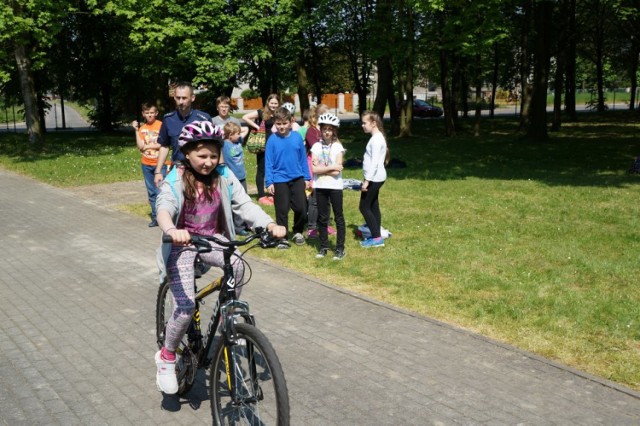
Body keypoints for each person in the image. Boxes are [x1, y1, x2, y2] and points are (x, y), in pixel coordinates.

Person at [154, 120, 286, 394]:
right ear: (187, 153)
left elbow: (245, 204)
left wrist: (268, 224)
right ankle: (166, 357)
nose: (208, 161)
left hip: (214, 239)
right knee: (186, 307)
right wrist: (171, 230)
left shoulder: (223, 175)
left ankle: (227, 322)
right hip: (183, 244)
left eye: (214, 155)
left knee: (238, 265)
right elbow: (164, 206)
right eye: (202, 155)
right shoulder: (176, 177)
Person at [265, 106, 311, 249]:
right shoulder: (272, 140)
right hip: (279, 180)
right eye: (278, 124)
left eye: (284, 123)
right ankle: (282, 237)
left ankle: (297, 231)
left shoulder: (297, 137)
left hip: (297, 178)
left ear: (291, 122)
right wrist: (269, 181)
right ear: (274, 123)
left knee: (301, 208)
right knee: (282, 210)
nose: (282, 127)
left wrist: (307, 177)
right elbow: (268, 162)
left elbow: (303, 158)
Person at [153, 82, 211, 188]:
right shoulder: (168, 119)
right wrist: (158, 172)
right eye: (178, 98)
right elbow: (164, 146)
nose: (180, 101)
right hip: (178, 168)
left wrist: (220, 167)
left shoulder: (203, 119)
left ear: (192, 98)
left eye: (184, 98)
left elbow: (213, 146)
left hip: (199, 170)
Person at [311, 113, 346, 260]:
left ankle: (339, 248)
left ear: (334, 131)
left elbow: (338, 170)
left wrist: (324, 169)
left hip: (335, 187)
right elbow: (314, 170)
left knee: (338, 217)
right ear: (321, 130)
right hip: (320, 186)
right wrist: (331, 168)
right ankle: (324, 246)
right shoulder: (316, 146)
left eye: (330, 130)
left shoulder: (338, 146)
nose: (327, 132)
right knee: (322, 217)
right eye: (324, 129)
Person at [132, 102, 165, 227]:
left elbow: (162, 144)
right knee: (151, 192)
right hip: (146, 164)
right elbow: (140, 146)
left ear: (156, 113)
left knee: (161, 191)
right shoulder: (142, 128)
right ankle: (155, 217)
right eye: (147, 113)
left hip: (160, 164)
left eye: (152, 112)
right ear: (143, 114)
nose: (150, 115)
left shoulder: (161, 126)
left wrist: (149, 145)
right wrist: (136, 130)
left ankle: (164, 217)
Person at [242, 94, 279, 205]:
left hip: (276, 144)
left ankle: (273, 193)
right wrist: (258, 127)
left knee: (275, 169)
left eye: (276, 103)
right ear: (268, 102)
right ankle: (261, 195)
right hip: (262, 144)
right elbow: (245, 117)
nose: (273, 105)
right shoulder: (261, 112)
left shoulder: (279, 113)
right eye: (272, 103)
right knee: (262, 170)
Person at [359, 110, 388, 248]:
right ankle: (377, 233)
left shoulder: (376, 140)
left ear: (373, 123)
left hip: (374, 178)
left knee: (364, 207)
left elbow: (375, 162)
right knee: (373, 205)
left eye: (365, 123)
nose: (362, 125)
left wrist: (367, 181)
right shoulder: (377, 137)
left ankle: (376, 238)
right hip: (376, 178)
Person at [222, 121, 251, 235]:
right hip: (232, 178)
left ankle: (243, 224)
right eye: (237, 134)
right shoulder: (224, 145)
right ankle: (236, 227)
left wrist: (236, 129)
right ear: (230, 135)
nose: (239, 135)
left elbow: (246, 129)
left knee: (243, 200)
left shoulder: (238, 140)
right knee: (232, 202)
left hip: (241, 176)